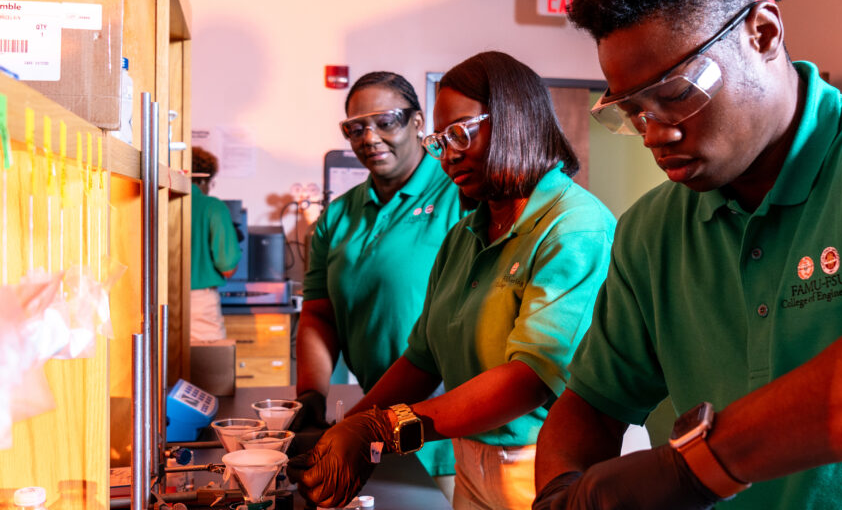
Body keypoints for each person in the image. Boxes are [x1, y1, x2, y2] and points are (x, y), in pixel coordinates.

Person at [532, 0, 842, 509]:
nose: (655, 133)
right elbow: (594, 405)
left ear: (763, 32)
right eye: (631, 111)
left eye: (676, 94)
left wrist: (702, 465)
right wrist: (561, 493)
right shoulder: (649, 233)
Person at [286, 51, 616, 510]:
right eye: (440, 141)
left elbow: (530, 378)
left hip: (539, 466)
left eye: (460, 133)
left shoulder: (574, 228)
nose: (448, 156)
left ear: (514, 119)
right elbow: (422, 359)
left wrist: (385, 428)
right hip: (470, 458)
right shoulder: (466, 234)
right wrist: (349, 429)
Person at [290, 71, 463, 496]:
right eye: (356, 127)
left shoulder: (458, 196)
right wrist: (311, 397)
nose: (369, 137)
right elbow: (319, 313)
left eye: (386, 121)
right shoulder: (340, 214)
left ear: (418, 124)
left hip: (447, 425)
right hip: (371, 417)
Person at [189, 146, 242, 342]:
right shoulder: (213, 207)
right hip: (199, 303)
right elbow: (227, 266)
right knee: (208, 366)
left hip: (157, 300)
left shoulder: (159, 199)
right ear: (203, 179)